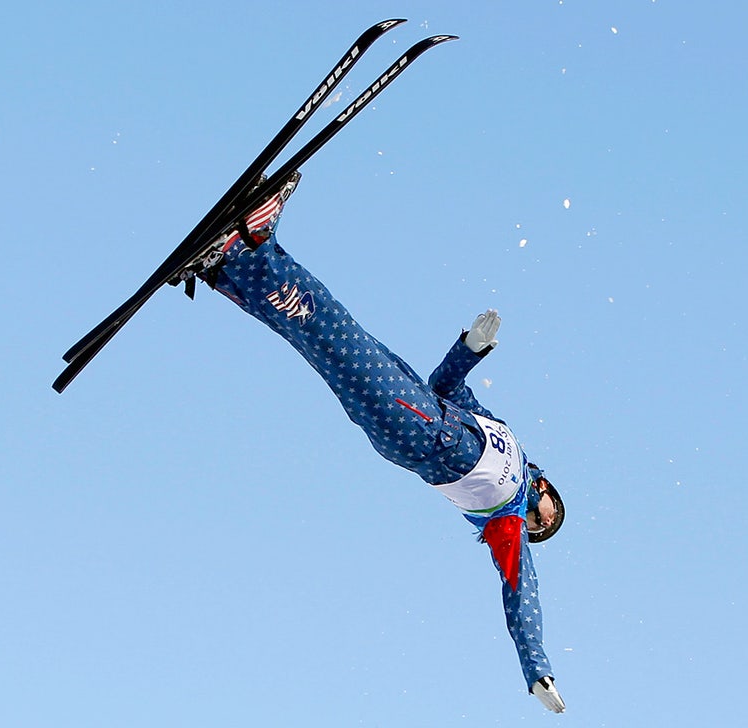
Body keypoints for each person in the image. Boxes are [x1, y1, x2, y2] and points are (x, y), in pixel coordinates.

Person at [194, 173, 567, 714]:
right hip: (423, 398)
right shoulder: (510, 443)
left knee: (331, 334)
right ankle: (230, 269)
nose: (536, 511)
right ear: (547, 484)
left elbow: (521, 596)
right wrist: (470, 349)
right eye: (545, 504)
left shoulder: (504, 523)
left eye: (539, 524)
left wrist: (537, 668)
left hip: (418, 433)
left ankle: (253, 245)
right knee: (326, 334)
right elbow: (450, 389)